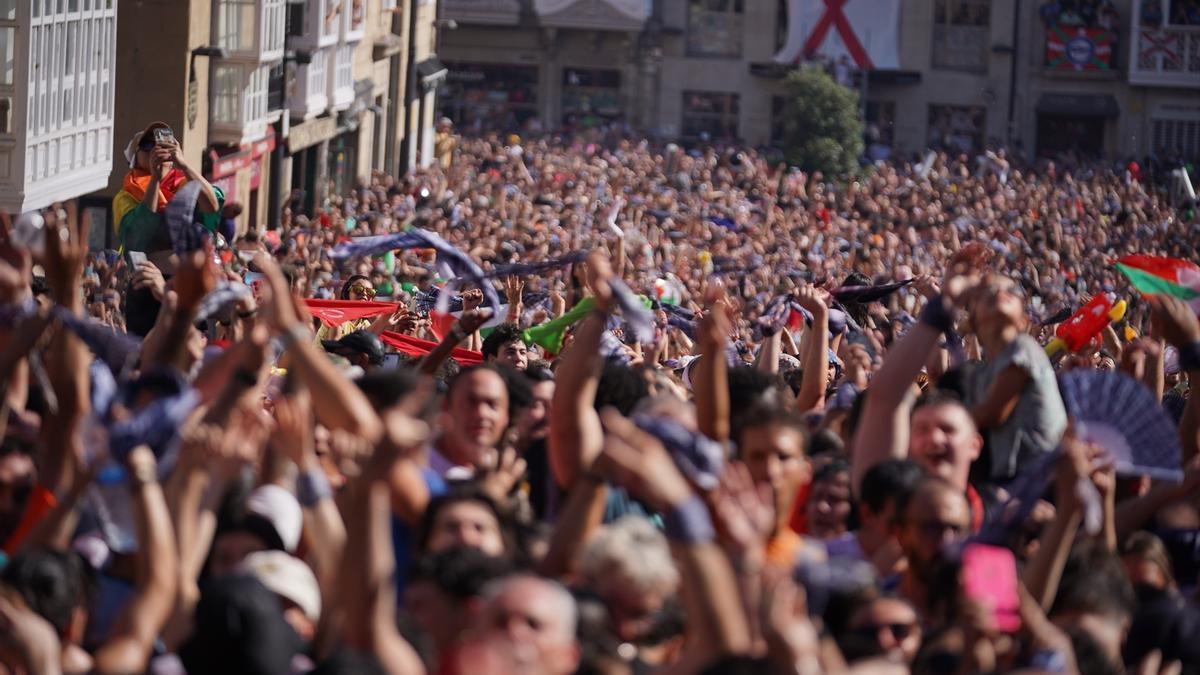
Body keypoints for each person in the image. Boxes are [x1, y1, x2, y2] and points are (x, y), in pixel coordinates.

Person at [112, 121, 221, 264]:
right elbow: (138, 235)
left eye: (164, 145)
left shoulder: (185, 182)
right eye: (148, 146)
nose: (157, 150)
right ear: (134, 159)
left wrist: (184, 164)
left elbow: (212, 206)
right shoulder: (125, 196)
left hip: (192, 273)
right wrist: (155, 179)